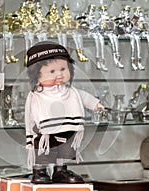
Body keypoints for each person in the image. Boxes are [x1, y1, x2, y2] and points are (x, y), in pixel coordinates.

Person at [25, 41, 104, 184]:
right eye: (52, 71)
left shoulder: (71, 91)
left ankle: (60, 171)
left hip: (67, 129)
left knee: (64, 150)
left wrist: (95, 104)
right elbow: (34, 111)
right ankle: (40, 171)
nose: (59, 74)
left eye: (63, 69)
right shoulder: (37, 95)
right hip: (45, 132)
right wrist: (40, 123)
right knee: (44, 150)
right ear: (37, 75)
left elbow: (83, 96)